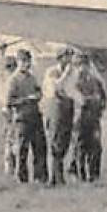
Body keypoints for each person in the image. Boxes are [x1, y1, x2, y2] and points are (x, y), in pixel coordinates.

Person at [2, 49, 46, 182]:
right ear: (18, 62)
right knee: (22, 149)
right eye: (23, 61)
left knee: (40, 147)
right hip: (22, 118)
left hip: (35, 115)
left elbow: (39, 92)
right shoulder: (13, 80)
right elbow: (9, 101)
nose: (26, 64)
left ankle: (40, 176)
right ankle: (22, 177)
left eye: (28, 61)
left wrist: (37, 96)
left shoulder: (32, 78)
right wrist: (26, 99)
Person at [39, 48, 77, 186]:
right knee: (54, 142)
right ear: (61, 58)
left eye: (71, 57)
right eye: (67, 57)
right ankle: (53, 178)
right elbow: (56, 88)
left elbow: (72, 90)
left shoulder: (73, 72)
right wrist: (65, 75)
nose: (70, 60)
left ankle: (59, 176)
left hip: (67, 106)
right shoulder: (52, 72)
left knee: (64, 141)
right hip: (54, 106)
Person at [70, 52, 107, 182]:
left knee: (96, 147)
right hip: (79, 119)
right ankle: (81, 175)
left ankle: (94, 175)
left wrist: (99, 106)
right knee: (80, 147)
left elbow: (102, 98)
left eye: (84, 65)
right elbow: (80, 100)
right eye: (78, 65)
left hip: (94, 118)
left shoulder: (95, 81)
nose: (82, 68)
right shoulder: (72, 82)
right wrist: (92, 99)